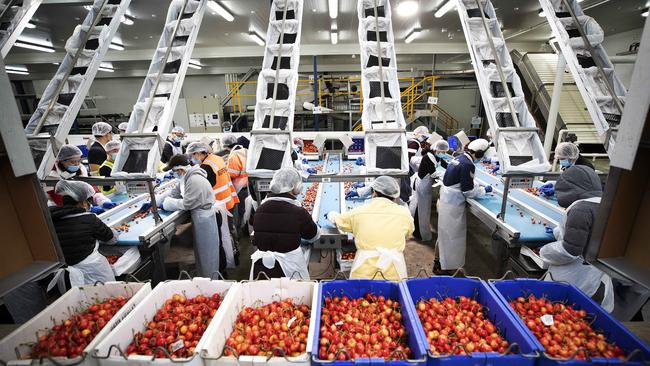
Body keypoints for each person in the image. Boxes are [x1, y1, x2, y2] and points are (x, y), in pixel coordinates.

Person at [540, 165, 613, 311]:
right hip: (597, 274)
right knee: (590, 318)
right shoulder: (606, 204)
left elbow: (570, 251)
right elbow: (589, 234)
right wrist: (559, 231)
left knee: (565, 314)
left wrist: (545, 251)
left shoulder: (581, 209)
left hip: (576, 278)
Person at [328, 176, 414, 281]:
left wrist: (330, 214)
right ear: (394, 195)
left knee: (361, 296)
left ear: (374, 193)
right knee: (394, 296)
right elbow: (409, 233)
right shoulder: (404, 213)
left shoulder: (359, 212)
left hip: (364, 271)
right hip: (394, 270)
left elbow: (339, 221)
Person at [157, 155, 224, 277]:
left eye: (174, 171)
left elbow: (188, 203)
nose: (174, 174)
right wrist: (157, 200)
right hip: (199, 217)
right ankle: (204, 277)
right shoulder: (186, 178)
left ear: (180, 170)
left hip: (204, 219)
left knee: (207, 254)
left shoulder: (194, 180)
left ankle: (211, 280)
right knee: (201, 252)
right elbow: (175, 193)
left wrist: (166, 204)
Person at [249, 168, 320, 280]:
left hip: (263, 269)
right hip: (290, 271)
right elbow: (314, 236)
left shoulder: (260, 209)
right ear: (296, 187)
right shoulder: (299, 212)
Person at [48, 180, 117, 292]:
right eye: (89, 201)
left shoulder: (51, 219)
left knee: (82, 304)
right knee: (106, 298)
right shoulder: (89, 219)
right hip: (94, 271)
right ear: (83, 202)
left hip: (68, 276)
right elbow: (111, 239)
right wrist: (112, 231)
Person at [436, 138, 493, 273]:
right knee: (452, 237)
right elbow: (468, 191)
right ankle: (446, 269)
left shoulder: (459, 158)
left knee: (444, 236)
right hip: (453, 205)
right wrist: (484, 190)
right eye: (482, 155)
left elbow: (462, 181)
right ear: (478, 154)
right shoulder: (468, 164)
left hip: (446, 200)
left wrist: (476, 184)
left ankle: (440, 263)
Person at [187, 142, 241, 257]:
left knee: (224, 234)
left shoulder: (205, 167)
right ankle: (235, 252)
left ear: (197, 153)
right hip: (228, 200)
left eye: (192, 155)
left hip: (219, 205)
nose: (192, 158)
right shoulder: (216, 159)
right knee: (230, 230)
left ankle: (230, 257)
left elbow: (204, 188)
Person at [45, 145, 115, 212]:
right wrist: (88, 208)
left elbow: (88, 187)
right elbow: (60, 200)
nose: (77, 164)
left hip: (82, 206)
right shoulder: (52, 176)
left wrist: (102, 200)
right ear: (61, 161)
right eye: (73, 162)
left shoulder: (81, 168)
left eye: (79, 161)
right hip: (60, 209)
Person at [412, 139, 449, 242]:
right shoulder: (429, 156)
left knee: (422, 209)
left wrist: (453, 167)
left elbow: (445, 164)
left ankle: (418, 231)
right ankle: (420, 234)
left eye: (445, 152)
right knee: (423, 210)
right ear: (436, 149)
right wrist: (446, 174)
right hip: (423, 185)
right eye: (442, 152)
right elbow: (433, 173)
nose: (443, 154)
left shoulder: (436, 156)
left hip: (426, 184)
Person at [221, 134, 249, 232]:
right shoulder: (245, 150)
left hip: (239, 187)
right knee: (246, 211)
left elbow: (232, 174)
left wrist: (224, 169)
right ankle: (246, 230)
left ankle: (238, 234)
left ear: (225, 146)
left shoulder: (233, 155)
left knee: (238, 214)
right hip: (248, 185)